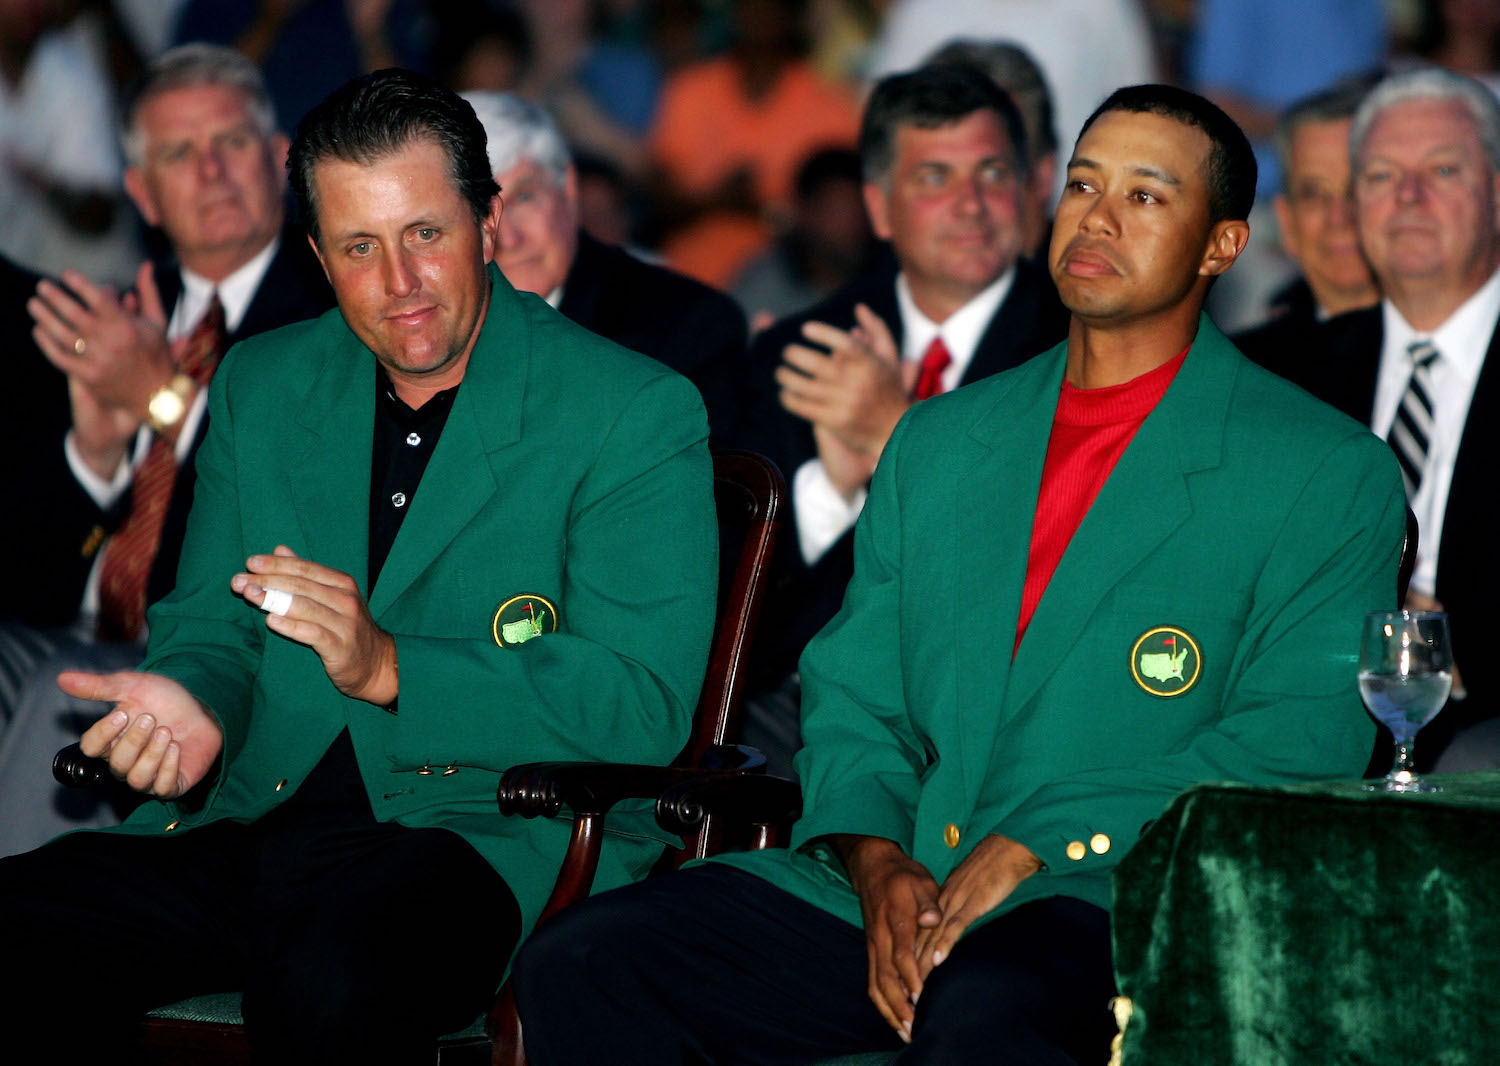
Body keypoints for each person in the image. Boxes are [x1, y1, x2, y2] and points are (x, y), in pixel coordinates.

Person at [511, 84, 1405, 1066]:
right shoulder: (942, 441)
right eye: (1082, 184)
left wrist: (1042, 842)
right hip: (900, 886)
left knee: (983, 1006)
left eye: (1146, 197)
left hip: (1118, 893)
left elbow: (1299, 740)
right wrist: (873, 854)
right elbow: (855, 695)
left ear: (1222, 244)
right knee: (586, 958)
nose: (1097, 216)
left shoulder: (1322, 469)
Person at [0, 68, 717, 1062]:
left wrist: (392, 667)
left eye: (425, 233)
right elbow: (212, 625)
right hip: (261, 809)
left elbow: (640, 701)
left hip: (484, 834)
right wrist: (193, 700)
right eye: (359, 247)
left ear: (487, 221)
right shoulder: (266, 379)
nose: (400, 283)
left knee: (330, 985)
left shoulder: (630, 409)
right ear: (318, 257)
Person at [0, 43, 335, 856]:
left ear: (278, 159)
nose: (212, 171)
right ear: (143, 194)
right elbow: (28, 579)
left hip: (220, 647)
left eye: (230, 143)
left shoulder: (330, 315)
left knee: (67, 692)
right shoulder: (115, 320)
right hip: (72, 623)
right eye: (181, 154)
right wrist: (98, 449)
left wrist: (165, 400)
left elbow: (296, 519)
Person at [733, 64, 1069, 773]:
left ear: (1031, 188)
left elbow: (1053, 554)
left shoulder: (1080, 346)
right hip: (796, 704)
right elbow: (740, 601)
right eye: (934, 179)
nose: (972, 205)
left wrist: (899, 437)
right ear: (880, 207)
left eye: (993, 173)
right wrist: (833, 491)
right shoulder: (802, 348)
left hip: (996, 712)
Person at [1286, 67, 1500, 767]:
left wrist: (1453, 648)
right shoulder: (1282, 374)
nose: (1408, 196)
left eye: (1441, 169)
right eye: (1380, 176)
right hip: (1313, 714)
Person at [463, 90, 747, 444]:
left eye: (524, 197)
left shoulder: (687, 329)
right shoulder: (420, 326)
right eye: (478, 211)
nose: (507, 237)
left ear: (567, 188)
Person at [1234, 78, 1381, 373]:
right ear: (1286, 221)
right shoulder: (1240, 375)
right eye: (1313, 194)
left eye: (1356, 190)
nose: (1339, 217)